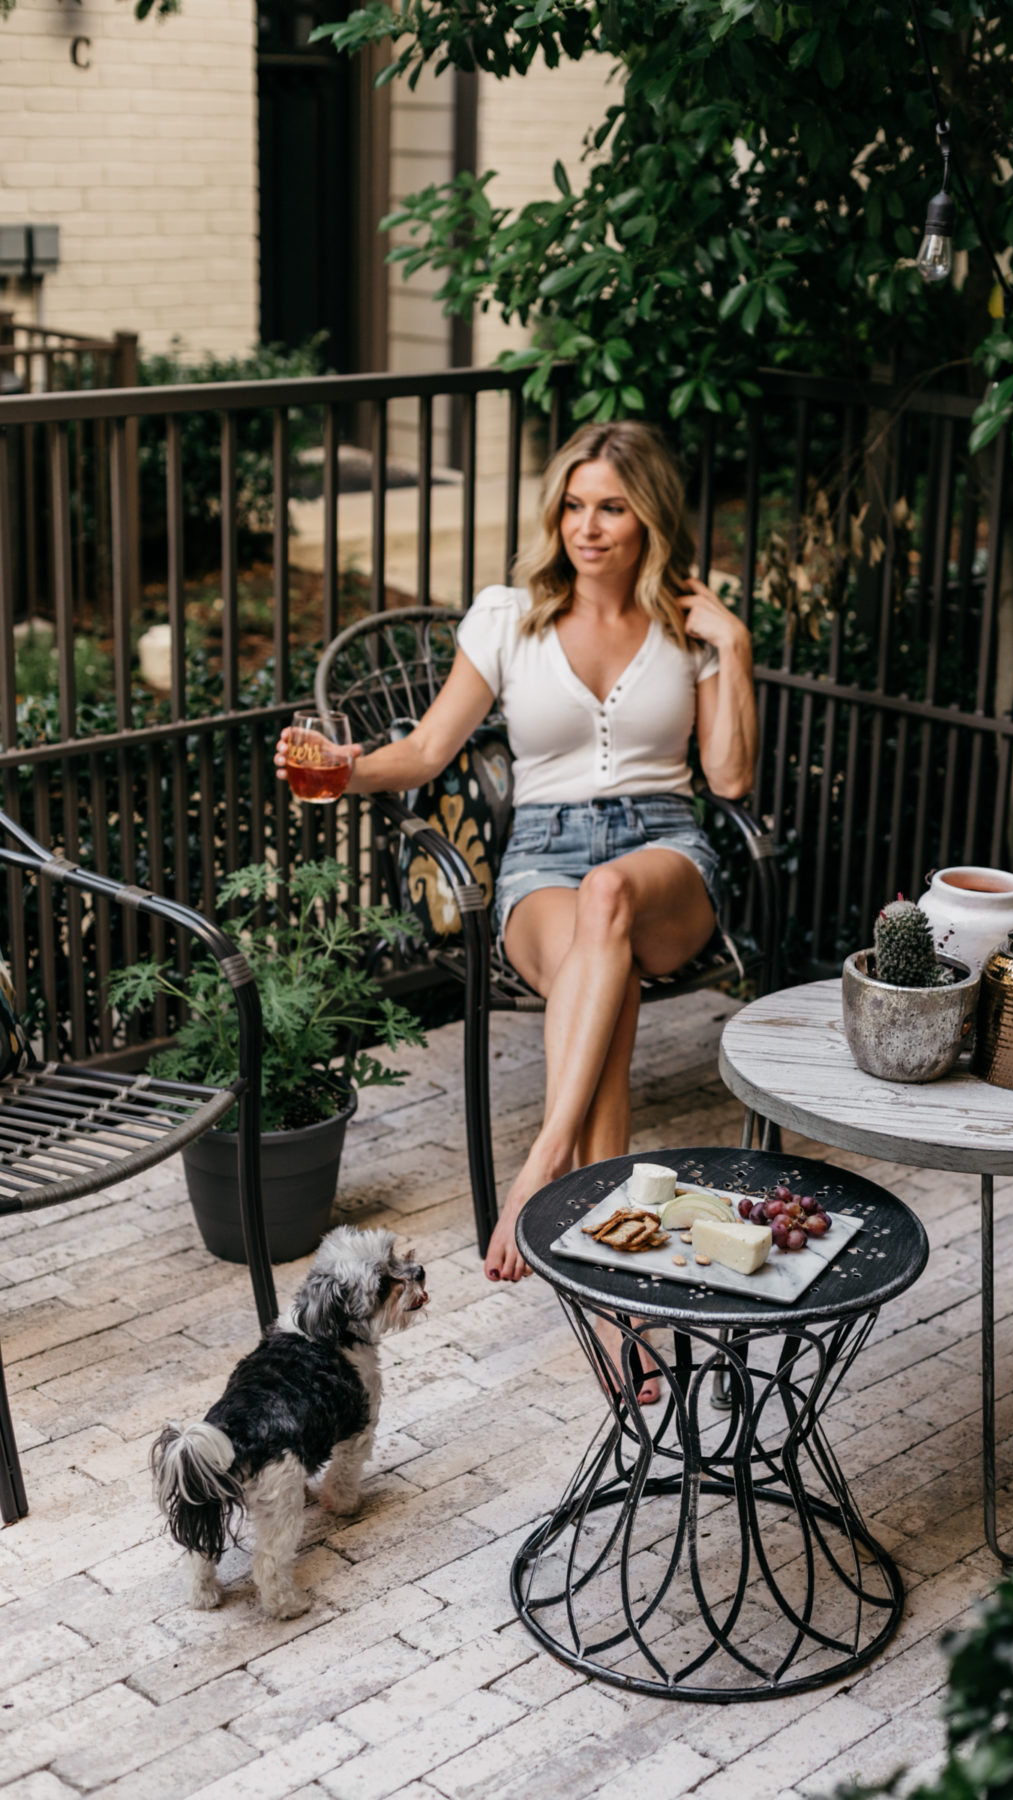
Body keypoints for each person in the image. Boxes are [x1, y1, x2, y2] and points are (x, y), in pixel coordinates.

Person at [276, 420, 757, 1402]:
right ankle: (626, 1298)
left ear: (649, 517)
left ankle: (543, 1170)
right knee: (596, 942)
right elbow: (424, 750)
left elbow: (731, 775)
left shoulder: (688, 619)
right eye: (574, 505)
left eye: (612, 507)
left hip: (666, 857)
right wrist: (342, 771)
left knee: (614, 901)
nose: (588, 526)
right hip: (542, 858)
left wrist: (734, 650)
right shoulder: (508, 614)